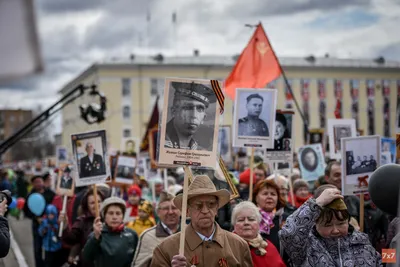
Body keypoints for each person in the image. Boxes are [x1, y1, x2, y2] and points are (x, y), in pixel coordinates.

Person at [150, 175, 253, 267]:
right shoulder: (166, 249)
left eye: (211, 204)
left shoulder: (239, 245)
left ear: (217, 208)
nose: (205, 211)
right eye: (198, 205)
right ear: (187, 211)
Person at [279, 186, 382, 266]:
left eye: (341, 223)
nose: (335, 230)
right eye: (327, 225)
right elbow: (288, 234)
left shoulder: (361, 240)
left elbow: (383, 261)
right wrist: (317, 204)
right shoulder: (306, 247)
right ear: (315, 223)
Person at [83, 197, 138, 267]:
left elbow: (138, 259)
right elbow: (86, 257)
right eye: (110, 213)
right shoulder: (97, 234)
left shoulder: (132, 234)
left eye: (118, 213)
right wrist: (95, 238)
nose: (114, 217)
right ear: (104, 216)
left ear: (123, 216)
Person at [132, 192, 181, 267]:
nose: (171, 212)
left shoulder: (189, 233)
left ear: (180, 211)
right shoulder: (148, 236)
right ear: (158, 212)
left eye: (174, 208)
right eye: (166, 208)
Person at [164, 81, 216, 151]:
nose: (194, 115)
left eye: (200, 109)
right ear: (173, 111)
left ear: (204, 118)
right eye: (187, 107)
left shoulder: (200, 151)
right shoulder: (159, 143)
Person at [232, 201, 285, 267]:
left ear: (259, 224)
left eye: (251, 219)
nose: (246, 223)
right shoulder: (228, 247)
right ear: (234, 224)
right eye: (241, 220)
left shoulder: (268, 246)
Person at [24, 175, 55, 267]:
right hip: (36, 225)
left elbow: (55, 207)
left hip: (50, 225)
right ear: (33, 184)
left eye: (40, 181)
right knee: (37, 248)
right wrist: (35, 217)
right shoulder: (30, 195)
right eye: (36, 182)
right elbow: (26, 211)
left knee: (49, 247)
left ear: (43, 182)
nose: (39, 183)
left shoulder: (50, 193)